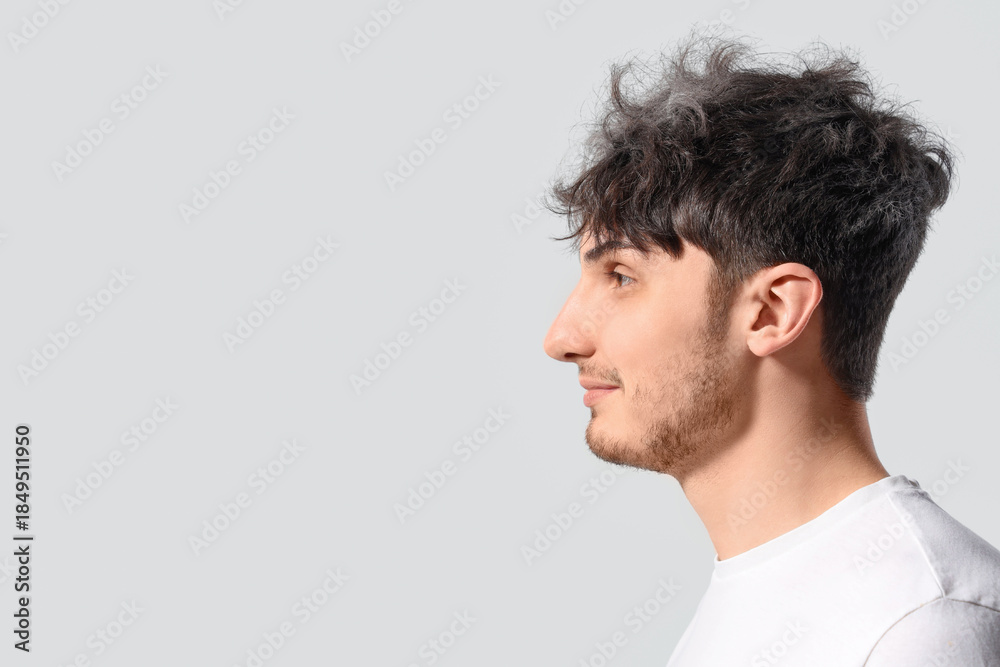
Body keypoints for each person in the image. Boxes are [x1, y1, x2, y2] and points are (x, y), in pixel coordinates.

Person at [542, 32, 1000, 665]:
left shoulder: (917, 624)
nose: (560, 340)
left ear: (773, 311)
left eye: (621, 277)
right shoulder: (762, 591)